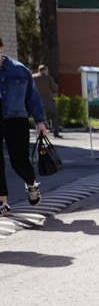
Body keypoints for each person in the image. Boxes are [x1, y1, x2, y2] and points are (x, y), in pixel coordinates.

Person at [0, 36, 48, 217]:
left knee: (19, 162)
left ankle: (31, 183)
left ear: (2, 48)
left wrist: (40, 121)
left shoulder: (19, 70)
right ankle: (2, 203)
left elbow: (33, 98)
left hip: (16, 119)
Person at [32, 65, 61, 137]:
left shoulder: (33, 77)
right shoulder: (48, 78)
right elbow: (55, 88)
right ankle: (55, 132)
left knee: (40, 116)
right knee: (53, 115)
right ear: (45, 70)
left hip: (37, 99)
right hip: (48, 99)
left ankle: (41, 133)